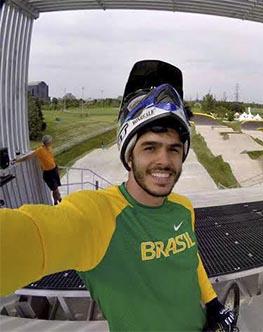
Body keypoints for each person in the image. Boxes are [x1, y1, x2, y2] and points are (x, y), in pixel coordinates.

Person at [0, 61, 235, 331]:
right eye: (150, 147)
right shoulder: (95, 217)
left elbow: (191, 261)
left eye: (173, 149)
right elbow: (27, 236)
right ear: (129, 155)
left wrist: (213, 304)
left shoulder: (184, 208)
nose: (164, 160)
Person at [13, 135, 62, 205]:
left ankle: (57, 200)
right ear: (46, 142)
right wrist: (18, 160)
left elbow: (51, 159)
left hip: (54, 170)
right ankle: (58, 201)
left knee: (56, 188)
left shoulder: (49, 148)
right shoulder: (40, 150)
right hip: (48, 173)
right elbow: (28, 156)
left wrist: (57, 169)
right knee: (55, 189)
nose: (51, 142)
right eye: (50, 141)